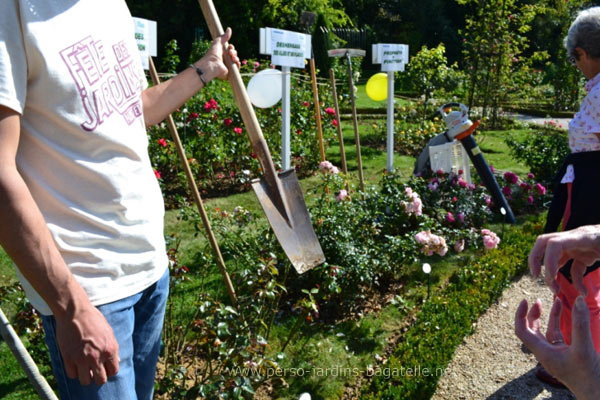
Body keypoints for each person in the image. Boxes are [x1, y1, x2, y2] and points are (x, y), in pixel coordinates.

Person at [0, 1, 239, 399]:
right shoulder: (14, 10)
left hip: (148, 268)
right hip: (88, 288)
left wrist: (205, 69)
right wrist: (71, 308)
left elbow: (133, 109)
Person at [539, 5, 600, 386]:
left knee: (573, 272)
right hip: (586, 184)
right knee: (583, 273)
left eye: (574, 58)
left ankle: (577, 364)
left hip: (589, 191)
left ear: (581, 52)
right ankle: (570, 346)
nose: (575, 65)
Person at [516, 225, 600, 398]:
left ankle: (584, 358)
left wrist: (589, 382)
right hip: (578, 251)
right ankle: (580, 358)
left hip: (580, 261)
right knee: (572, 303)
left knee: (584, 305)